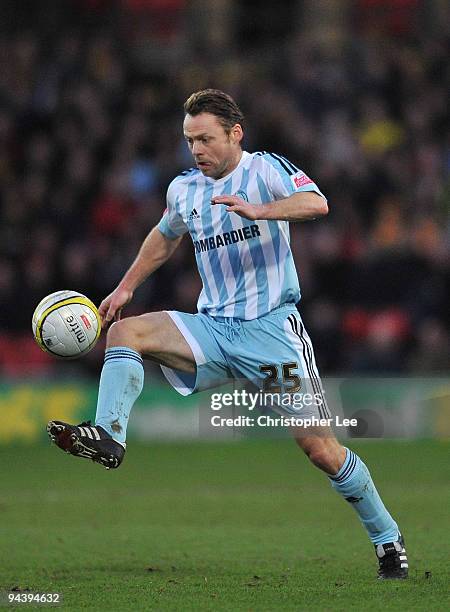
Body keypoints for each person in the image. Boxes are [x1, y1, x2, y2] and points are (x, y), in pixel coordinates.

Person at [47, 89, 408, 580]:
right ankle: (109, 436)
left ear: (235, 134)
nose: (196, 150)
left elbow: (317, 203)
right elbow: (165, 234)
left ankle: (387, 539)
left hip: (272, 336)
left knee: (321, 449)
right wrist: (125, 287)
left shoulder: (265, 170)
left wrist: (262, 212)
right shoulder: (184, 188)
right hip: (212, 329)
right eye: (189, 140)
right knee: (126, 333)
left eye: (206, 139)